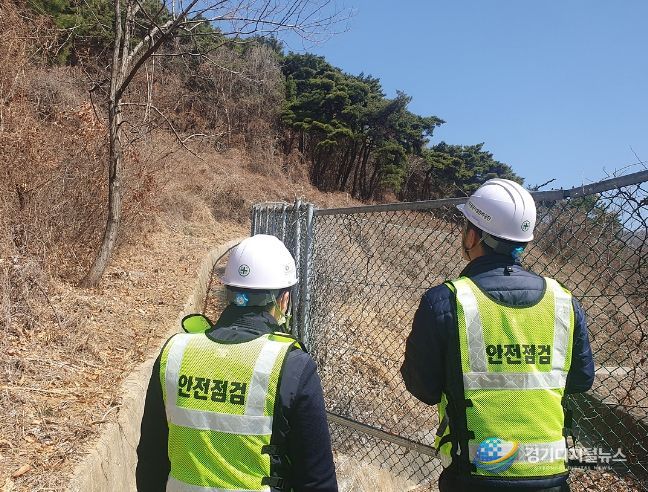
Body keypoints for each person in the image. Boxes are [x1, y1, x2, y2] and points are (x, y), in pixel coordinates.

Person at [401, 179, 594, 492]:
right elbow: (581, 380)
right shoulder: (563, 301)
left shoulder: (446, 301)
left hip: (474, 474)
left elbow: (424, 388)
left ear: (473, 236)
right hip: (551, 475)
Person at [136, 234, 338, 492]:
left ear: (227, 293)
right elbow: (317, 480)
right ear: (284, 300)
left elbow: (151, 461)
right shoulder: (292, 366)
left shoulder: (175, 354)